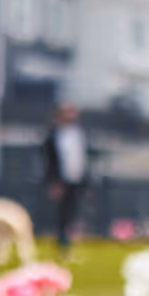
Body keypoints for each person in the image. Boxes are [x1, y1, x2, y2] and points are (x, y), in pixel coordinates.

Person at [37, 101, 93, 250]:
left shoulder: (80, 134)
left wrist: (87, 181)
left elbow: (84, 159)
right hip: (61, 181)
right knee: (62, 213)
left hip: (78, 179)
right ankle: (62, 242)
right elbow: (48, 161)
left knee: (76, 211)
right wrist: (53, 182)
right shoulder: (53, 136)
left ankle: (73, 239)